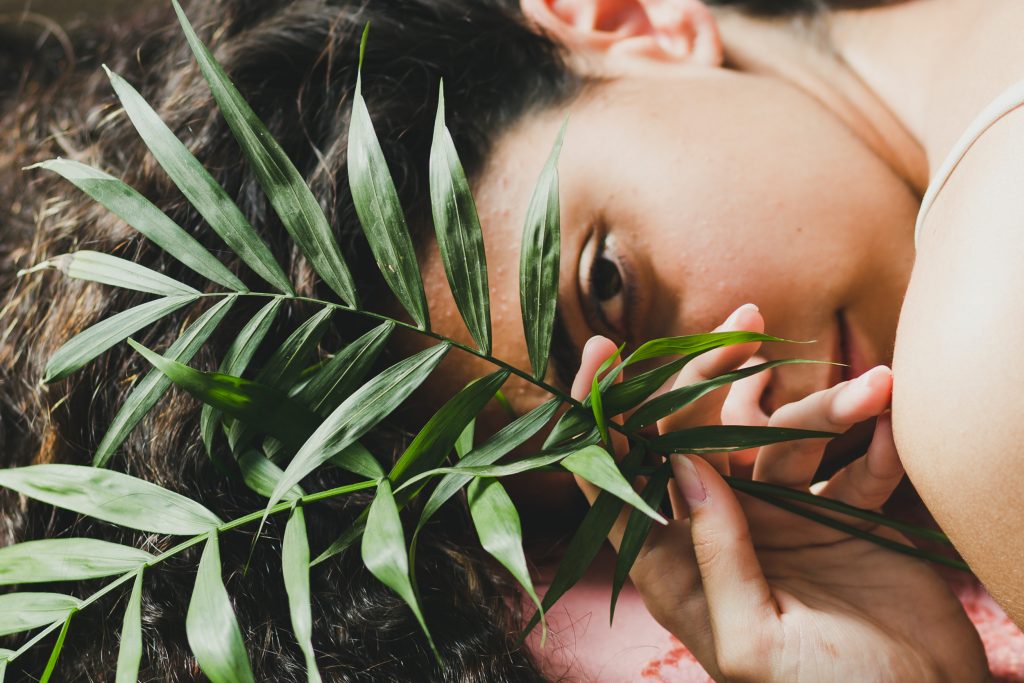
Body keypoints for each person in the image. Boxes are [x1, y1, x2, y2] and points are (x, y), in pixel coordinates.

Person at [0, 0, 1019, 680]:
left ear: (622, 21)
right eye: (641, 467)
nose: (735, 428)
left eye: (604, 286)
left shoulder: (976, 382)